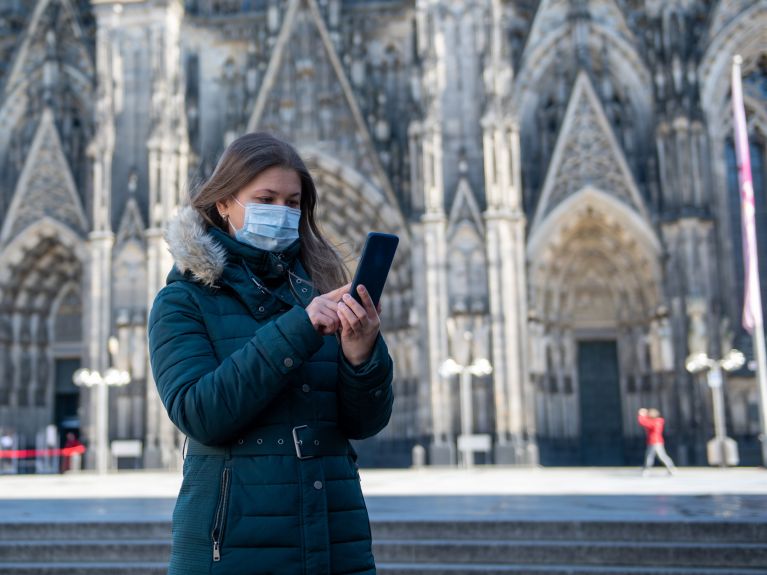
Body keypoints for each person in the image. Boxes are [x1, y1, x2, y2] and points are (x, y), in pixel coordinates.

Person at [148, 132, 394, 575]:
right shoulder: (183, 300)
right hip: (233, 548)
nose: (281, 214)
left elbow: (364, 424)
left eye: (292, 203)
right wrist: (300, 328)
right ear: (224, 203)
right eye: (265, 199)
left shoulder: (319, 288)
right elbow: (199, 413)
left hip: (333, 540)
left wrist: (362, 358)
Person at [637, 408, 676, 476]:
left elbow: (643, 422)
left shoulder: (655, 422)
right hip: (655, 441)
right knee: (657, 456)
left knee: (652, 456)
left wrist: (642, 415)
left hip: (654, 441)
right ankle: (671, 468)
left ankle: (646, 470)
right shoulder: (657, 421)